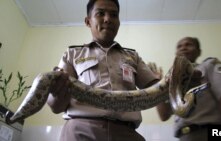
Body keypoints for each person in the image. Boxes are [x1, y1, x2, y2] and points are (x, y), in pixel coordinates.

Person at [46, 0, 161, 141]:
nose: (108, 19)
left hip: (127, 133)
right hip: (81, 132)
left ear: (119, 22)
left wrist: (170, 83)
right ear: (88, 21)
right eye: (100, 13)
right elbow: (56, 107)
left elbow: (158, 92)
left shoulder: (133, 57)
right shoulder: (72, 54)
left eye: (114, 15)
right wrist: (56, 92)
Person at [156, 37, 221, 141]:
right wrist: (158, 84)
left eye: (189, 45)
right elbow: (164, 115)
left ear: (198, 52)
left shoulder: (209, 65)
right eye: (179, 46)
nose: (183, 48)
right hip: (184, 136)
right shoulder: (173, 81)